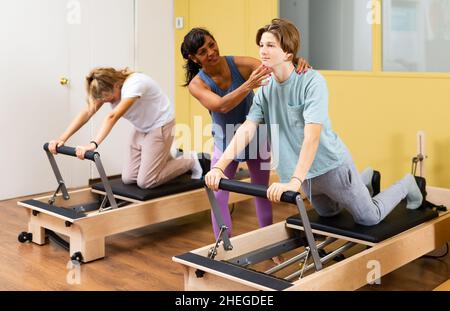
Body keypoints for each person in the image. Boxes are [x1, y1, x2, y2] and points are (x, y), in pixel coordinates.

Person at [205, 19, 423, 226]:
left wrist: (294, 182)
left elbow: (312, 137)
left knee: (370, 217)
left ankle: (407, 183)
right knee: (329, 214)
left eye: (270, 45)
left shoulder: (312, 82)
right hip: (303, 177)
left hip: (330, 168)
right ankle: (365, 179)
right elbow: (247, 129)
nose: (262, 50)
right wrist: (219, 167)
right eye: (261, 45)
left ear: (288, 53)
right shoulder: (266, 89)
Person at [181, 28, 310, 238]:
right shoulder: (197, 84)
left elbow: (277, 67)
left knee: (262, 192)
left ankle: (269, 243)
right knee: (218, 195)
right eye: (203, 52)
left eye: (212, 45)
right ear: (193, 58)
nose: (211, 52)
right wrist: (248, 85)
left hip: (255, 137)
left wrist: (296, 62)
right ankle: (224, 246)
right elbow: (221, 106)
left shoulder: (240, 63)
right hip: (225, 143)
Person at [48, 67, 202, 189]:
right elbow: (88, 111)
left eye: (110, 99)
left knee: (146, 181)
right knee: (129, 178)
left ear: (116, 85)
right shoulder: (109, 88)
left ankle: (190, 160)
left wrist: (93, 144)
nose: (109, 102)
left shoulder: (134, 84)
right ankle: (166, 156)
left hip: (161, 125)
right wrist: (62, 139)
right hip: (141, 128)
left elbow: (112, 116)